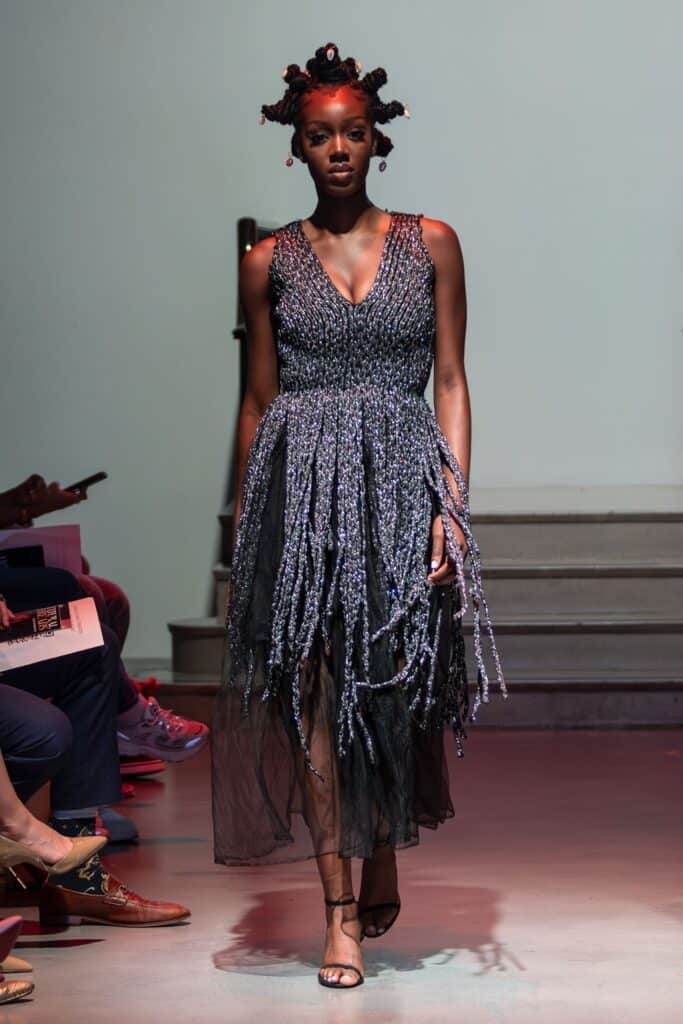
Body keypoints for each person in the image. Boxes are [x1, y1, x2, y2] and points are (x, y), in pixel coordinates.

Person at [211, 42, 507, 989]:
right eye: (317, 136)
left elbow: (451, 380)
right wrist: (248, 523)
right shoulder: (267, 261)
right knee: (312, 697)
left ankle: (380, 842)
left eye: (351, 133)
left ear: (375, 139)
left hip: (398, 478)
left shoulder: (431, 242)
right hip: (299, 490)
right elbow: (257, 402)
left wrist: (449, 506)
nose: (336, 149)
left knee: (388, 681)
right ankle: (338, 908)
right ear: (294, 149)